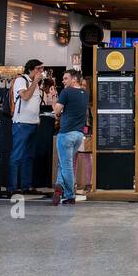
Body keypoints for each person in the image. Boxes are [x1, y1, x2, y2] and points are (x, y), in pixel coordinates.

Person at [10, 58, 52, 195]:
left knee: (29, 156)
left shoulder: (37, 85)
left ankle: (26, 186)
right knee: (17, 156)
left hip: (33, 123)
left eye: (42, 69)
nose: (41, 72)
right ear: (31, 69)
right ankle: (12, 188)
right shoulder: (21, 81)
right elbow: (25, 97)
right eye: (39, 69)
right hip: (21, 123)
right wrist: (35, 82)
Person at [51, 69, 87, 205]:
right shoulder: (84, 94)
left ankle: (70, 195)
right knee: (63, 162)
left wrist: (54, 97)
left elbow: (57, 111)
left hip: (66, 134)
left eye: (66, 78)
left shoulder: (66, 92)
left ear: (74, 80)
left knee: (66, 165)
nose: (63, 81)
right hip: (78, 135)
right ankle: (59, 185)